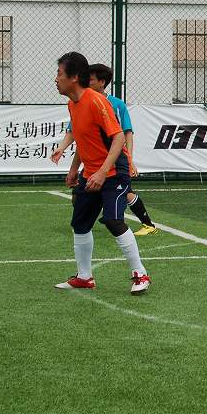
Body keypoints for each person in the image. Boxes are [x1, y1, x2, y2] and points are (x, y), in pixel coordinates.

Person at [52, 52, 151, 295]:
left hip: (115, 172)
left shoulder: (97, 102)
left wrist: (102, 172)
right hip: (91, 173)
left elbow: (118, 138)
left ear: (74, 78)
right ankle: (84, 277)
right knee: (80, 224)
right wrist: (74, 169)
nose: (55, 79)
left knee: (113, 220)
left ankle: (140, 273)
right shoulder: (72, 104)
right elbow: (84, 139)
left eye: (59, 74)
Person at [51, 63, 158, 236]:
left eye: (91, 79)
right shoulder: (77, 103)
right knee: (80, 197)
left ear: (102, 82)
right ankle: (93, 218)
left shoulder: (115, 105)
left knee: (122, 202)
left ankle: (147, 224)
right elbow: (78, 135)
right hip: (93, 164)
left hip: (114, 163)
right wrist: (64, 151)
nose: (86, 82)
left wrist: (130, 160)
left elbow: (125, 133)